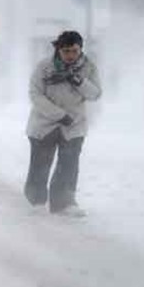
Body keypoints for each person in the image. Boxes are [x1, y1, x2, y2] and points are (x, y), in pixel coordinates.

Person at [24, 30, 102, 216]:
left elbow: (95, 94)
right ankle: (37, 201)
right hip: (44, 125)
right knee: (40, 163)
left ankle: (64, 202)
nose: (70, 55)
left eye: (74, 50)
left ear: (80, 49)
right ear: (58, 50)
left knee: (69, 164)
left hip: (74, 125)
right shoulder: (44, 67)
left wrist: (77, 80)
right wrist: (59, 115)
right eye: (66, 51)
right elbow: (35, 95)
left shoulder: (88, 67)